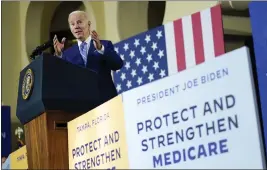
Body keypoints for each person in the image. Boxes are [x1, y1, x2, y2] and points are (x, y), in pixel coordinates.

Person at [53, 10, 123, 103]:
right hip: (82, 107)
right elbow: (61, 80)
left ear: (89, 24)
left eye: (79, 22)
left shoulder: (104, 44)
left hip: (107, 102)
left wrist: (100, 48)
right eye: (72, 24)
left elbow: (118, 64)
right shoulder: (67, 54)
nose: (76, 26)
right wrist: (59, 56)